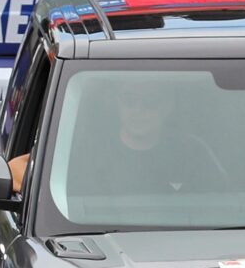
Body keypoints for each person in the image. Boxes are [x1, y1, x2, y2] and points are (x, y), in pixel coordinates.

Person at [29, 72, 230, 200]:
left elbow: (226, 205)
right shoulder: (83, 152)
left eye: (150, 102)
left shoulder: (192, 153)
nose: (138, 110)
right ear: (118, 102)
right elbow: (21, 171)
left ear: (167, 106)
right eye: (130, 100)